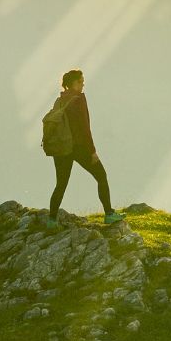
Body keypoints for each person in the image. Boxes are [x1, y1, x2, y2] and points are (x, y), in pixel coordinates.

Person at [47, 68, 124, 229]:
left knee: (60, 184)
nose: (83, 85)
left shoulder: (60, 100)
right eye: (80, 82)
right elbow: (84, 128)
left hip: (61, 147)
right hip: (79, 147)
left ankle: (51, 221)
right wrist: (92, 151)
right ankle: (109, 214)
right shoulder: (78, 99)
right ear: (73, 84)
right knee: (101, 176)